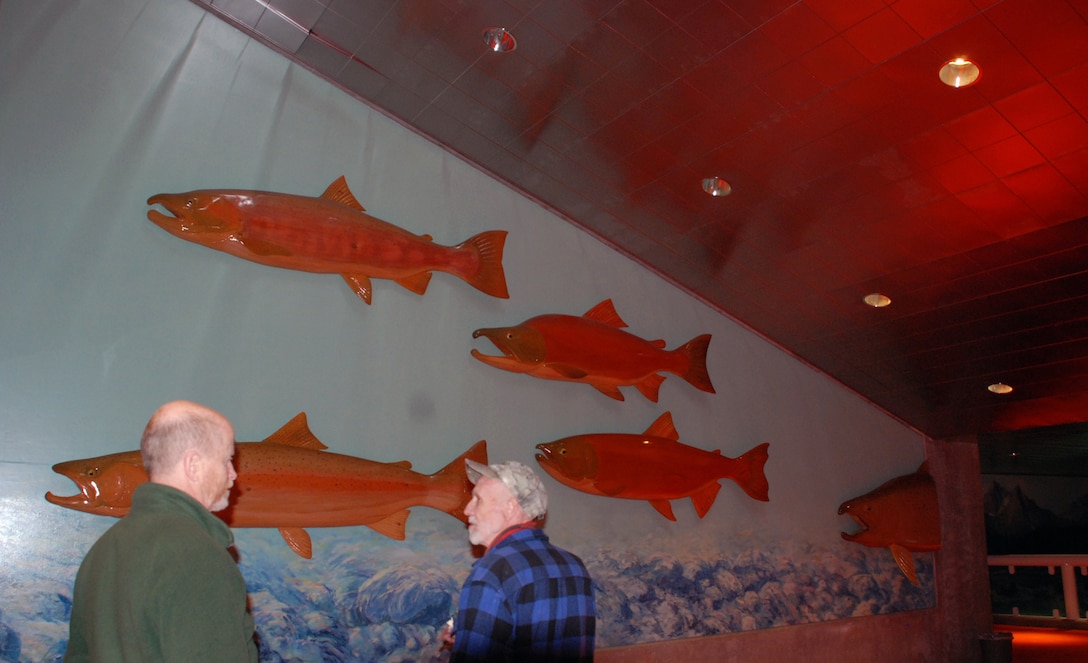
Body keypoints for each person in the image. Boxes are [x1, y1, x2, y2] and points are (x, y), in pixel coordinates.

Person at [64, 400, 258, 662]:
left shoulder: (102, 551)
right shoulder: (198, 555)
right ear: (194, 465)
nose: (233, 474)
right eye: (226, 460)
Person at [442, 459, 596, 662]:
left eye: (477, 499)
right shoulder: (575, 566)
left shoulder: (491, 573)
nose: (467, 510)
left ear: (510, 508)